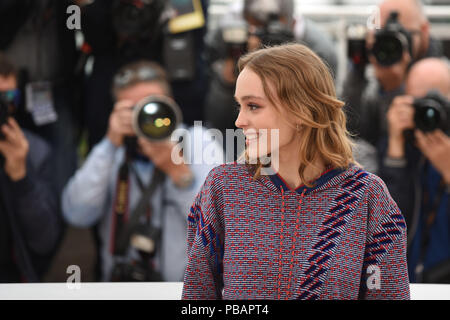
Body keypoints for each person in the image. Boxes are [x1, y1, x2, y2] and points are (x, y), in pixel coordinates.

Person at [182, 44, 410, 300]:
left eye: (253, 106)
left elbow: (387, 294)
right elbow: (197, 297)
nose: (239, 121)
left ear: (301, 110)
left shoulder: (368, 197)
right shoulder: (223, 188)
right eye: (240, 106)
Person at [62, 61, 223, 282]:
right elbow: (77, 214)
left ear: (171, 104)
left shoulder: (198, 142)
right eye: (134, 109)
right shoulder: (112, 151)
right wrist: (109, 143)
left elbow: (220, 230)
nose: (148, 117)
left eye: (153, 105)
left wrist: (179, 174)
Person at [204, 0, 338, 138]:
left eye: (264, 31)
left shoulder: (319, 49)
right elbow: (218, 124)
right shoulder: (232, 37)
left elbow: (321, 119)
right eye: (255, 29)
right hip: (237, 138)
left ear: (290, 22)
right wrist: (231, 74)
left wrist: (288, 65)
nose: (259, 37)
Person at [379, 57, 450, 283]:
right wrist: (396, 148)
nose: (428, 114)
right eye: (417, 104)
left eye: (437, 102)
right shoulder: (402, 146)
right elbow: (387, 225)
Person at [343, 0, 442, 144]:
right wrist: (359, 66)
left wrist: (394, 89)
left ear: (424, 31)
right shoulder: (371, 77)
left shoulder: (440, 76)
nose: (390, 43)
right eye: (382, 32)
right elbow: (350, 131)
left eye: (400, 33)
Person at [0, 53, 61, 282]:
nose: (3, 107)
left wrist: (21, 178)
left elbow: (44, 242)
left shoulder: (34, 151)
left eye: (9, 98)